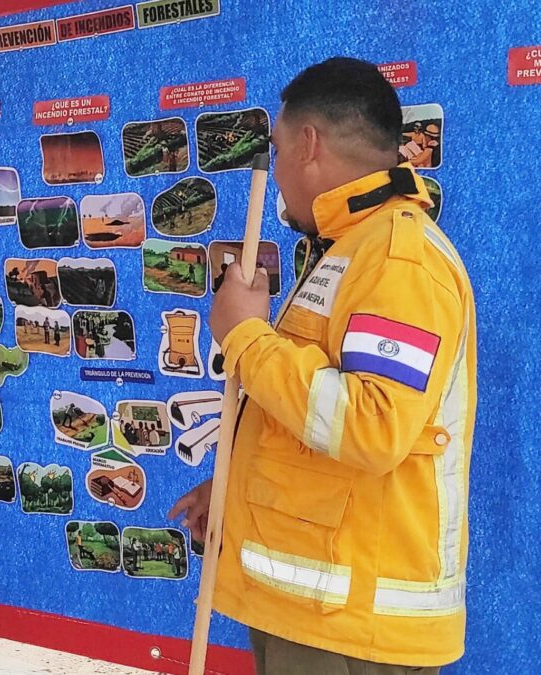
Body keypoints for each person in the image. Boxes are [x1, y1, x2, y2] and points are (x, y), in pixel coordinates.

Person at [169, 57, 475, 674]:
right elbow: (308, 423)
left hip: (353, 632)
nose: (275, 173)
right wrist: (234, 494)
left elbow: (369, 426)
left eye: (277, 149)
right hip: (314, 617)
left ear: (307, 144)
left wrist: (247, 336)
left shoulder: (397, 260)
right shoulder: (348, 249)